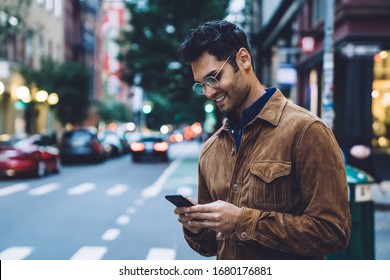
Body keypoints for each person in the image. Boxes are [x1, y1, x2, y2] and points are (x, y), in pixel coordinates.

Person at [173, 20, 351, 260]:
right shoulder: (211, 149)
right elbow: (210, 246)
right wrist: (196, 227)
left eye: (214, 78)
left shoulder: (307, 130)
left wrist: (241, 221)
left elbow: (333, 233)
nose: (209, 92)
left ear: (243, 59)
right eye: (201, 85)